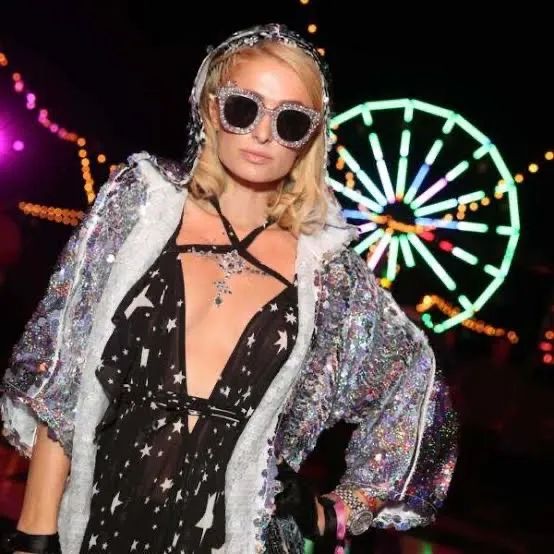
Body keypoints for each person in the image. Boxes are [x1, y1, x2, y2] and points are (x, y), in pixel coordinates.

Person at [0, 23, 458, 554]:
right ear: (210, 108)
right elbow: (64, 374)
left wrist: (339, 510)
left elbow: (415, 387)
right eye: (244, 108)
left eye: (290, 120)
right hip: (98, 525)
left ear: (310, 138)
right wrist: (35, 534)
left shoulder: (327, 272)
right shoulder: (140, 206)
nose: (263, 134)